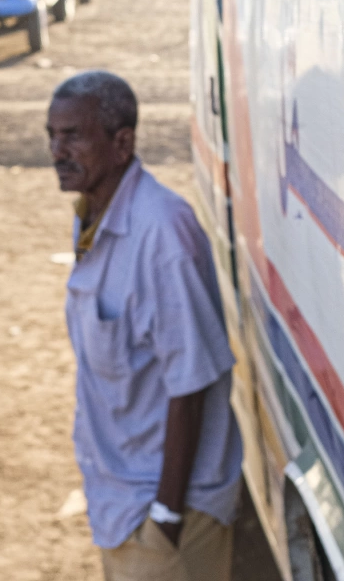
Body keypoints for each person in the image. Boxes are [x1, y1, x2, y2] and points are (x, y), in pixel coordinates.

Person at [49, 71, 243, 580]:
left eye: (73, 136)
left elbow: (193, 381)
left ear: (122, 143)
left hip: (163, 513)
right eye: (52, 135)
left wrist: (166, 518)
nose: (57, 150)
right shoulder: (92, 213)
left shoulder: (162, 232)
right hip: (120, 502)